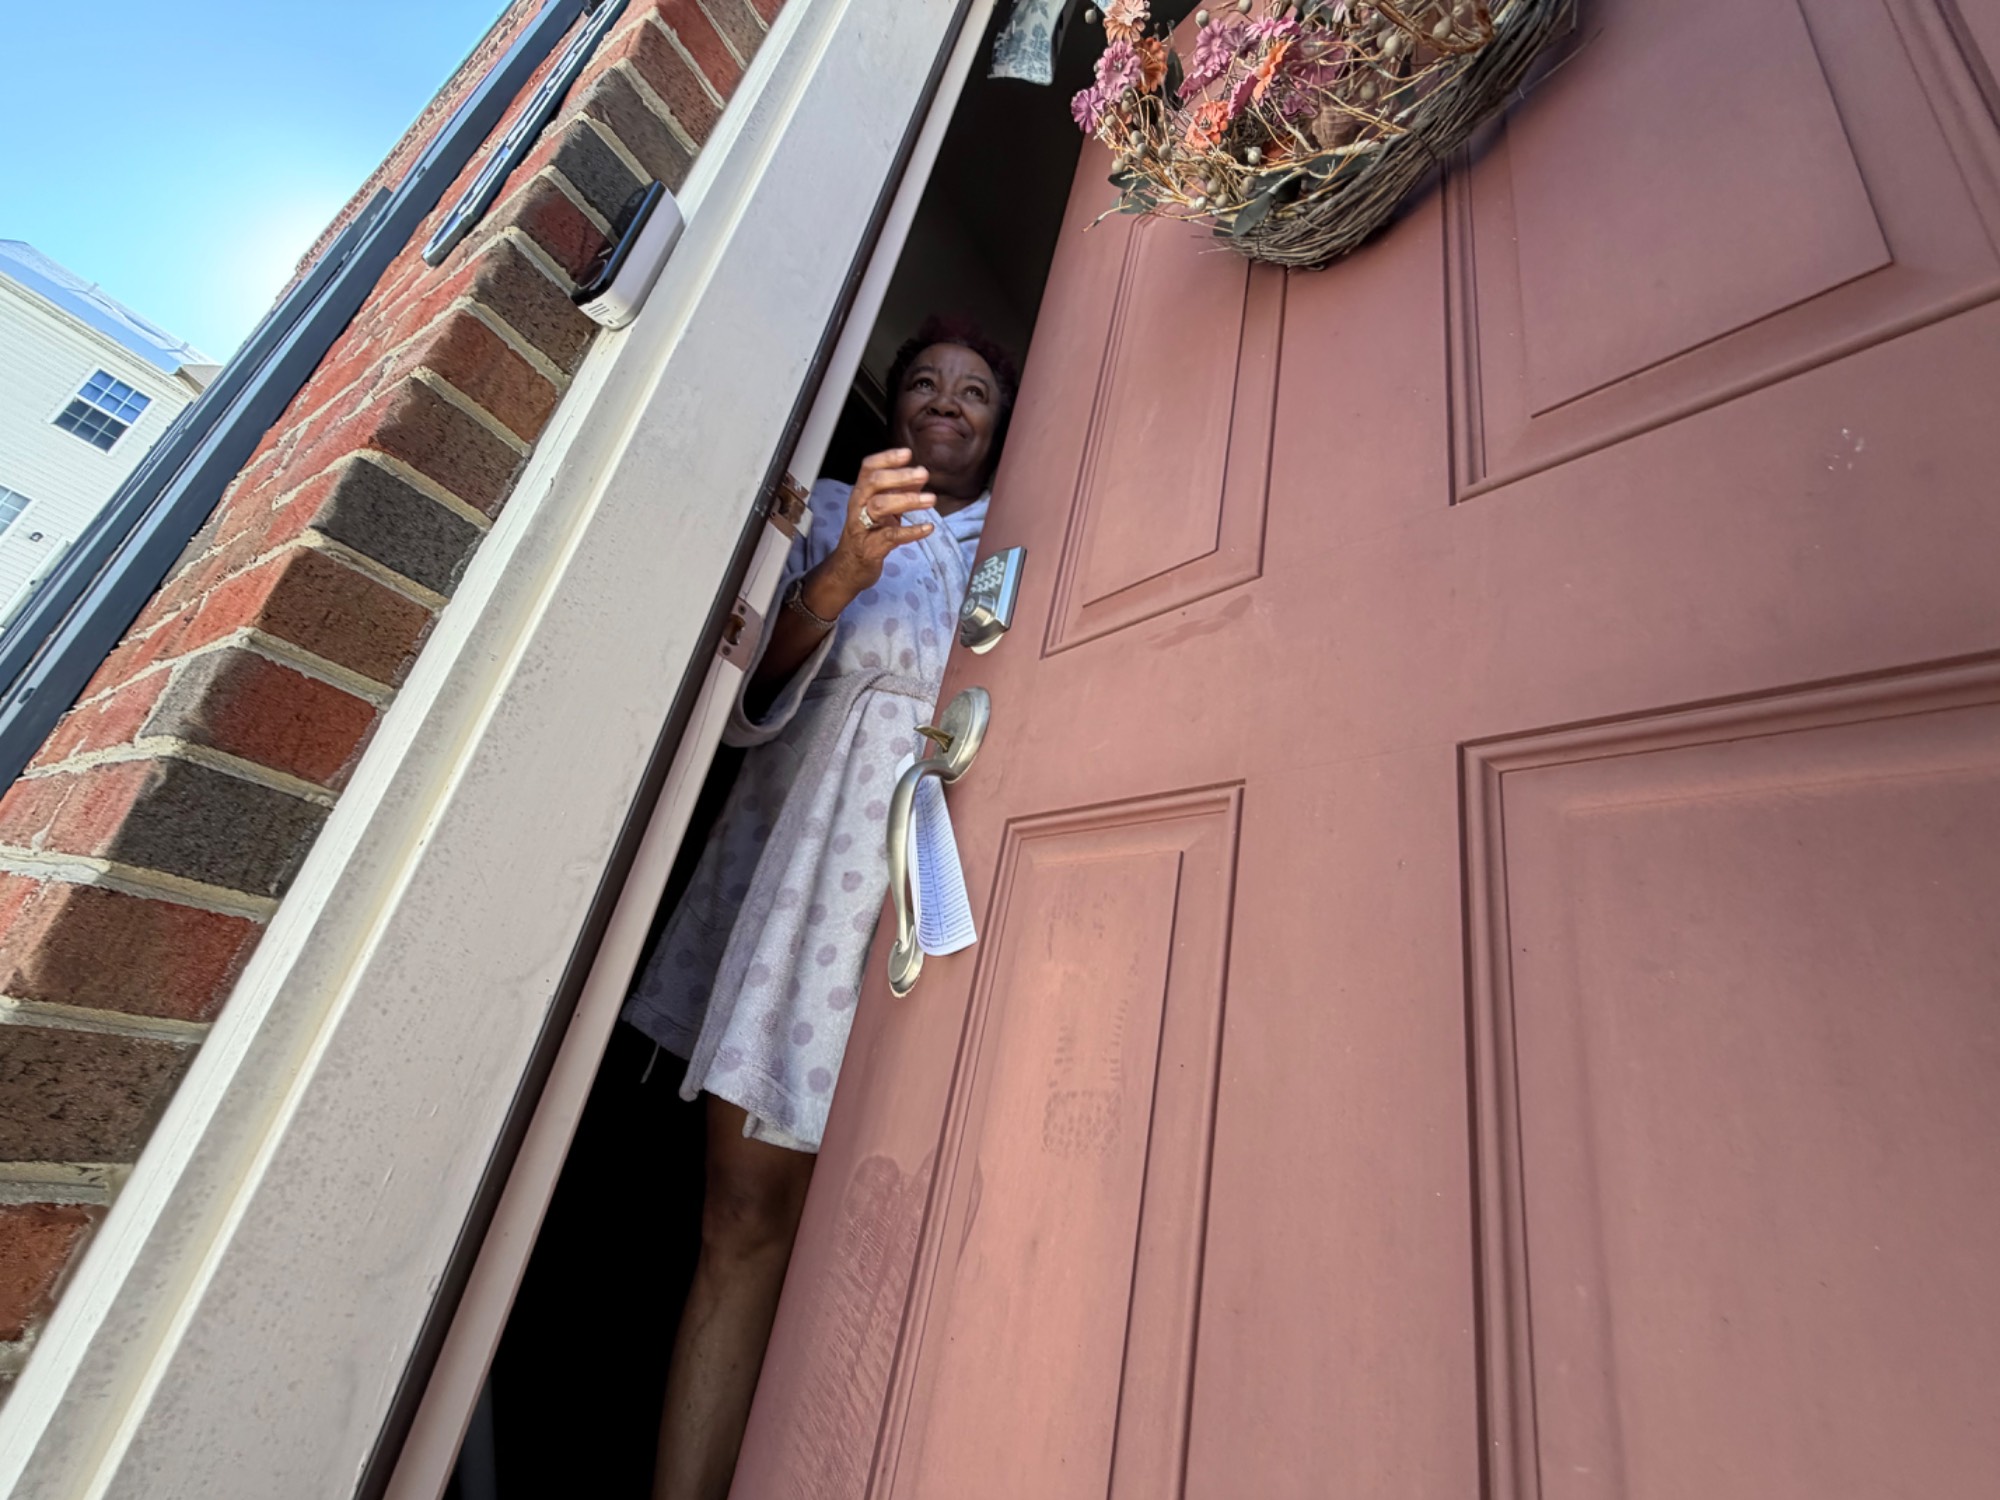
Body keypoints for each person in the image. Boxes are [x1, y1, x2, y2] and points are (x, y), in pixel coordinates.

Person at [621, 316, 1018, 1500]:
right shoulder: (831, 510)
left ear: (1003, 425)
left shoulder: (1027, 535)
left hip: (942, 886)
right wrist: (842, 574)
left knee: (892, 1224)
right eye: (924, 383)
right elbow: (744, 695)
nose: (946, 402)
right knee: (744, 1214)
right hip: (806, 883)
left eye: (975, 392)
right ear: (890, 409)